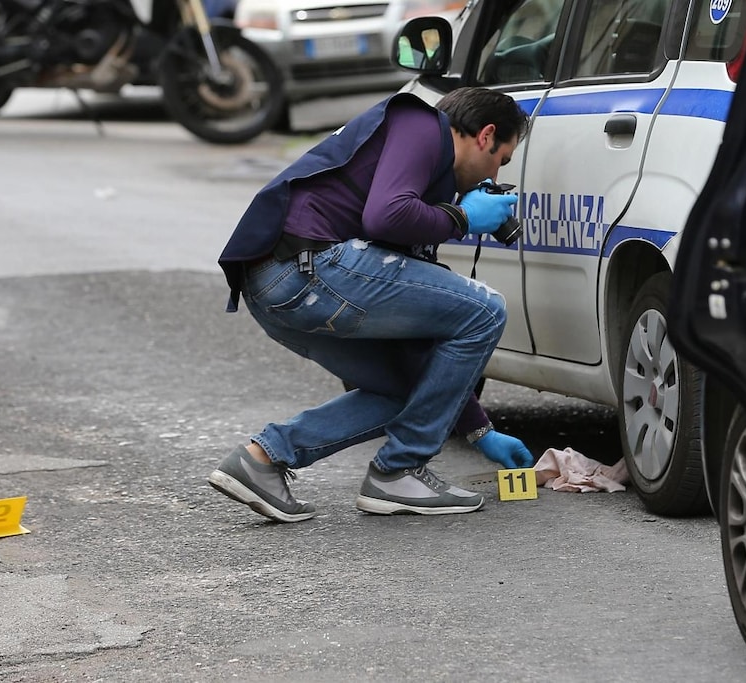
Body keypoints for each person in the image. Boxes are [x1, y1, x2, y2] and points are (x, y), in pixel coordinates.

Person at [210, 87, 534, 523]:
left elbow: (425, 355)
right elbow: (385, 215)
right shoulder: (420, 124)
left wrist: (480, 431)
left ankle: (263, 460)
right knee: (487, 308)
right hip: (306, 268)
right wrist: (462, 219)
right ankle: (399, 472)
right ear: (485, 135)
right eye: (502, 159)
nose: (494, 174)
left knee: (405, 388)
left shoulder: (424, 182)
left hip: (278, 286)